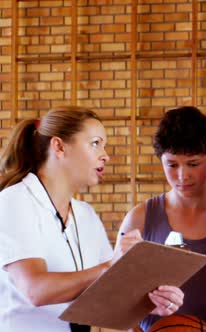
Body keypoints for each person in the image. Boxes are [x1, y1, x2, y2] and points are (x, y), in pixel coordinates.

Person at [0, 106, 183, 332]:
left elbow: (106, 293)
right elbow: (35, 290)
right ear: (59, 146)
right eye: (95, 143)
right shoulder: (14, 201)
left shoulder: (85, 214)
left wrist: (149, 302)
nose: (105, 155)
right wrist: (111, 264)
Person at [118, 106, 206, 332]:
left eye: (193, 164)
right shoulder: (139, 218)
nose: (182, 176)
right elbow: (118, 296)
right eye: (172, 165)